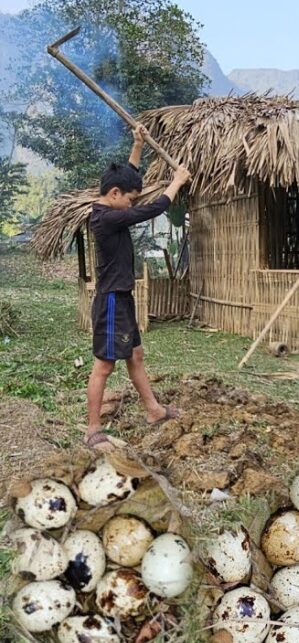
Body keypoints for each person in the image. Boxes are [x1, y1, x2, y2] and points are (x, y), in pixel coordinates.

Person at [83, 124, 190, 451]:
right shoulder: (106, 218)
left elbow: (129, 176)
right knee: (105, 365)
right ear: (114, 194)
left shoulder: (112, 205)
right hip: (111, 300)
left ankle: (153, 410)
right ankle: (92, 429)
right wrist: (177, 181)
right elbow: (153, 208)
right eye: (129, 199)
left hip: (123, 297)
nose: (132, 204)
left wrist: (138, 145)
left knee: (136, 355)